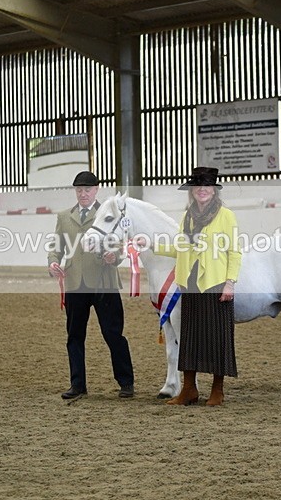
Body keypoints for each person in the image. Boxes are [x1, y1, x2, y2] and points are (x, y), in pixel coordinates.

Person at [149, 167, 242, 406]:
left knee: (217, 336)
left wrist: (230, 283)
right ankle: (188, 389)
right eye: (197, 186)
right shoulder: (187, 217)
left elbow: (234, 252)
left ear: (213, 190)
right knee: (189, 337)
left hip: (216, 282)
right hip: (189, 283)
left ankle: (217, 390)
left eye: (207, 186)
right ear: (192, 191)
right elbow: (179, 248)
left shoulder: (226, 216)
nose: (202, 190)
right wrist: (150, 244)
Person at [48, 171, 134, 401]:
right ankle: (77, 385)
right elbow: (56, 246)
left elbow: (119, 246)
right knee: (74, 336)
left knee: (113, 334)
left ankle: (126, 382)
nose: (83, 194)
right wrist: (53, 261)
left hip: (104, 283)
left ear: (96, 190)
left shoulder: (106, 213)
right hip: (76, 283)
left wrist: (113, 257)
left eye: (87, 189)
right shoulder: (64, 217)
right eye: (79, 190)